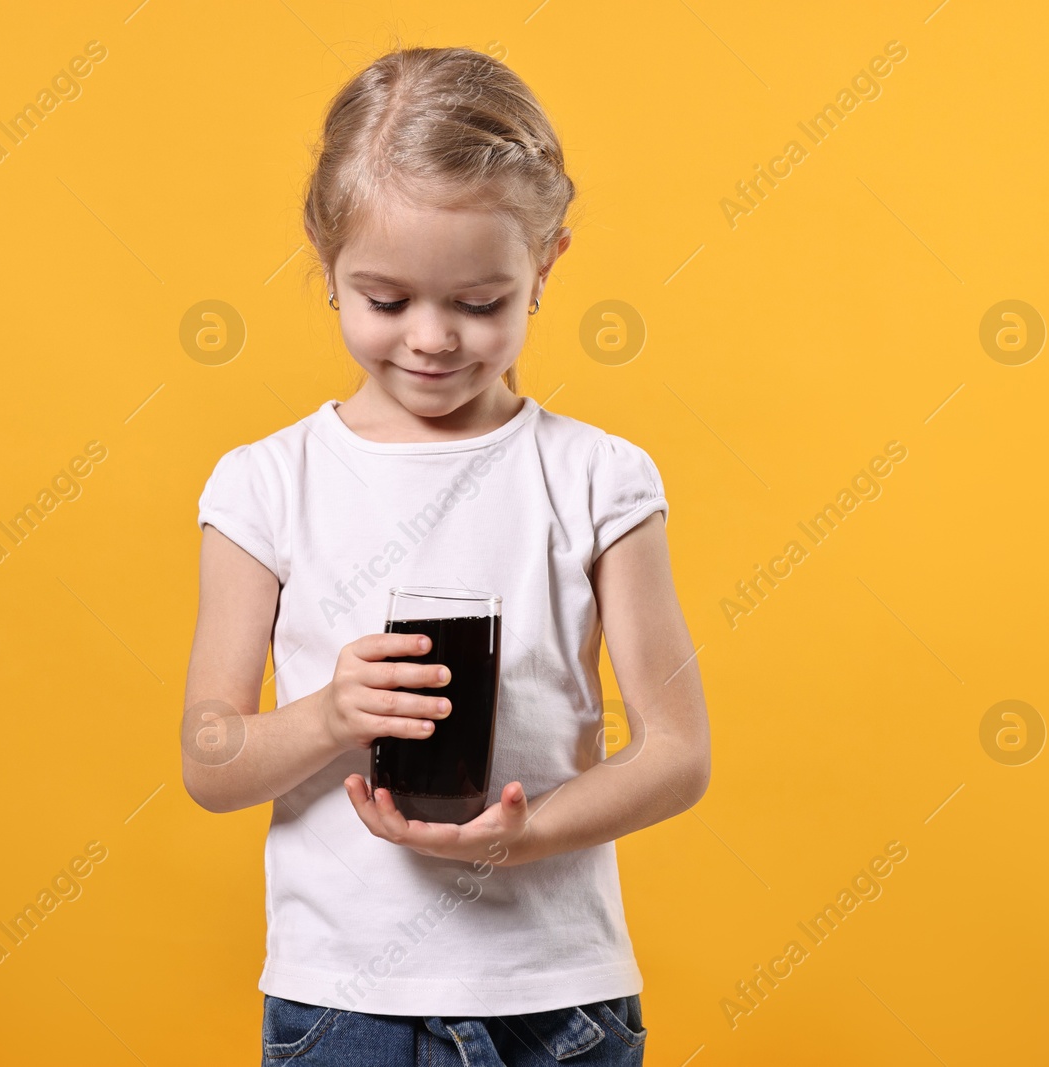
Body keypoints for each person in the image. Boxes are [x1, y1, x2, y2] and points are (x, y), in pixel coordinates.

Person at [184, 44, 711, 1067]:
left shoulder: (598, 477)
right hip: (342, 1005)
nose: (430, 339)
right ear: (324, 258)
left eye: (478, 303)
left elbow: (676, 751)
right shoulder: (264, 483)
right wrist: (328, 714)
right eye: (384, 300)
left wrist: (528, 831)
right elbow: (210, 760)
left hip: (557, 1001)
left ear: (546, 264)